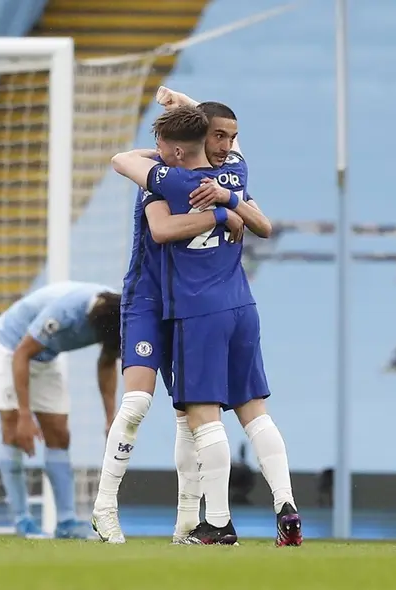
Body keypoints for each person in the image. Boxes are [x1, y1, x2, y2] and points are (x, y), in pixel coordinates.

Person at [109, 105, 302, 547]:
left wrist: (162, 155)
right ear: (213, 137)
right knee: (255, 412)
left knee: (202, 416)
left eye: (229, 138)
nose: (227, 145)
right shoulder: (237, 171)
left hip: (198, 311)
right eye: (221, 136)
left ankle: (217, 522)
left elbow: (122, 163)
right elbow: (265, 226)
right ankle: (286, 507)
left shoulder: (174, 179)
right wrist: (230, 204)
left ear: (177, 147)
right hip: (242, 306)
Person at [91, 89, 256, 545]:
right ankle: (104, 508)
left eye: (162, 145)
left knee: (187, 413)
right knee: (138, 403)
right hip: (146, 300)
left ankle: (187, 522)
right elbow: (161, 229)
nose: (155, 152)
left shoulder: (192, 176)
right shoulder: (166, 182)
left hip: (185, 305)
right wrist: (223, 213)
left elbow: (130, 156)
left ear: (178, 148)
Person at [0, 281, 120, 539]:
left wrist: (110, 417)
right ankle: (22, 521)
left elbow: (106, 362)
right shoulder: (66, 312)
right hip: (9, 348)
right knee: (14, 431)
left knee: (59, 433)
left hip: (45, 356)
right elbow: (21, 353)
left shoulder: (117, 313)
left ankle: (66, 522)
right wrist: (25, 415)